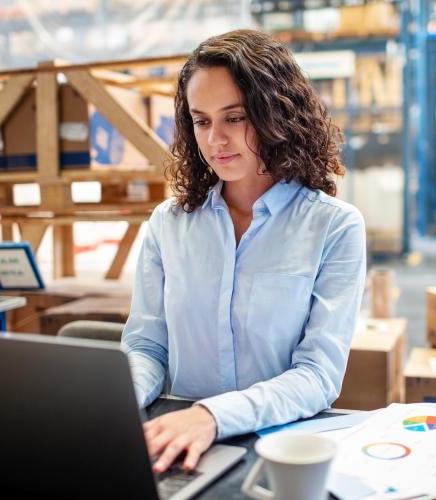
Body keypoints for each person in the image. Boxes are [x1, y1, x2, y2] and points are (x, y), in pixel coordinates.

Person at [122, 29, 366, 474]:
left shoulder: (334, 226)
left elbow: (317, 376)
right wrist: (117, 403)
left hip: (280, 448)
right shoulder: (168, 224)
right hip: (177, 441)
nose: (215, 139)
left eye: (234, 118)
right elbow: (147, 346)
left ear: (277, 115)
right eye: (201, 120)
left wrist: (213, 416)